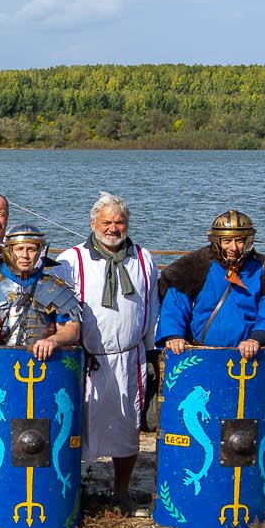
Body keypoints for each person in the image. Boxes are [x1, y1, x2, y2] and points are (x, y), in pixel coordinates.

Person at [58, 193, 159, 511]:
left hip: (129, 359)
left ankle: (121, 491)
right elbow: (58, 307)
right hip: (85, 361)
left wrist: (153, 351)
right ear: (93, 224)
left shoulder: (143, 258)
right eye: (107, 222)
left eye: (119, 222)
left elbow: (152, 306)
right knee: (73, 428)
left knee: (127, 428)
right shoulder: (71, 260)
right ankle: (69, 490)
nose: (113, 228)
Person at [156, 210, 265, 359]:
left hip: (247, 355)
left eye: (240, 241)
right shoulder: (193, 267)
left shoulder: (264, 271)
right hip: (198, 354)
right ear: (217, 241)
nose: (234, 247)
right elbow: (175, 306)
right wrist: (174, 336)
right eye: (227, 241)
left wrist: (256, 339)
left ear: (249, 241)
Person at [0, 224, 84, 360]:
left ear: (41, 252)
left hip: (43, 363)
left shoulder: (56, 288)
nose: (25, 255)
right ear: (8, 251)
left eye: (31, 249)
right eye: (19, 249)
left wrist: (53, 340)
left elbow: (71, 328)